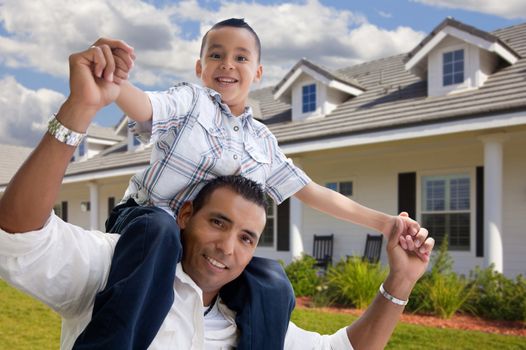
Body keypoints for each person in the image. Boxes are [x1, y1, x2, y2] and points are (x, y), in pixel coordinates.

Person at [0, 37, 434, 349]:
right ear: (200, 67)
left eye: (241, 57)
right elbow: (145, 105)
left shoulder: (261, 142)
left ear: (259, 73)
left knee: (272, 280)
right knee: (158, 230)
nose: (227, 64)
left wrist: (386, 227)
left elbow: (313, 192)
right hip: (145, 226)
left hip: (181, 235)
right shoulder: (191, 103)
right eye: (216, 55)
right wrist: (100, 94)